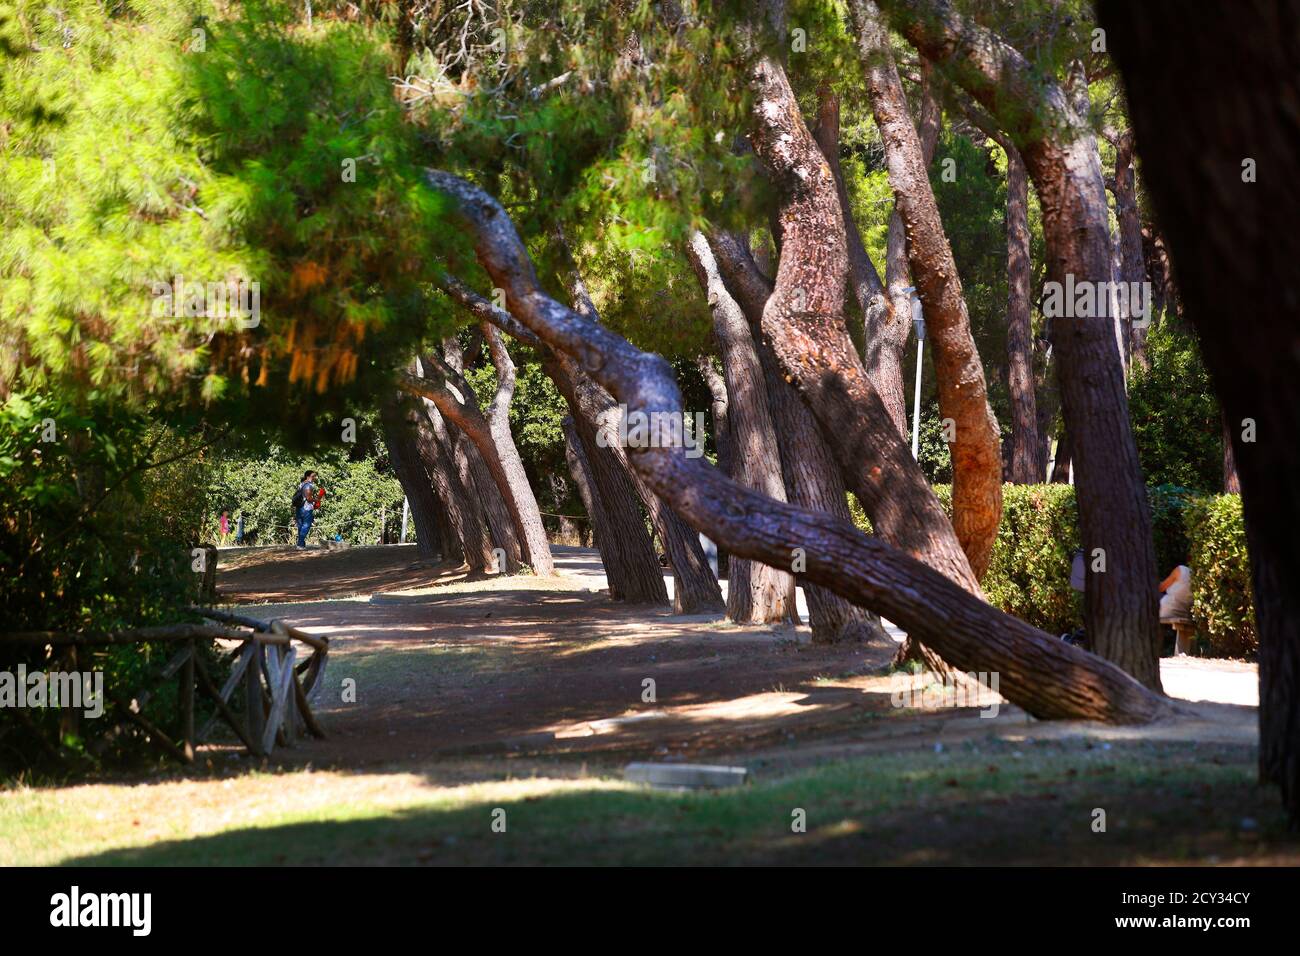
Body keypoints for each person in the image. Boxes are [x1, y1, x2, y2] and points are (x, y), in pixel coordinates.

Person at [293, 470, 319, 549]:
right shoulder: (309, 485)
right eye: (313, 476)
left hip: (299, 508)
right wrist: (316, 500)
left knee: (300, 526)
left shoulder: (301, 484)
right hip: (306, 508)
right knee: (306, 525)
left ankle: (301, 544)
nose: (315, 478)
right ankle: (300, 544)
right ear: (308, 476)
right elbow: (308, 498)